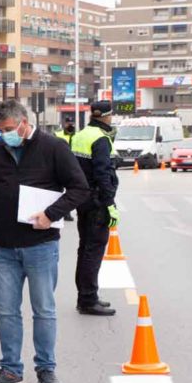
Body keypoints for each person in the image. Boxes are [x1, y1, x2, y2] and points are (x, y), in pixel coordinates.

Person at [0, 100, 89, 383]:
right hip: (3, 246)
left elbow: (79, 188)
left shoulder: (53, 148)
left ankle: (46, 369)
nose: (5, 135)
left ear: (24, 122)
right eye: (0, 130)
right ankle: (11, 370)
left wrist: (50, 214)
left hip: (40, 245)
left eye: (10, 129)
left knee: (43, 310)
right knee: (7, 311)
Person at [71, 100, 120, 317]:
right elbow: (103, 174)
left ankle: (85, 296)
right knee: (94, 250)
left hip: (82, 199)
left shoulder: (80, 135)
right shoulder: (101, 139)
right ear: (108, 117)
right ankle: (88, 299)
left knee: (85, 248)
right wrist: (110, 203)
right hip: (97, 201)